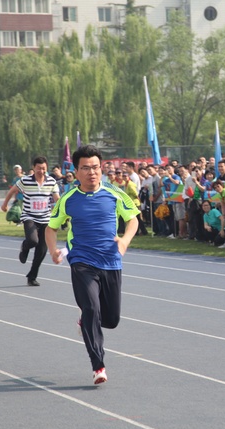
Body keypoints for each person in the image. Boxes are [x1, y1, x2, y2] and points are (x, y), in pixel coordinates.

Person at [46, 145, 139, 385]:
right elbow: (51, 227)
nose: (92, 172)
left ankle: (85, 321)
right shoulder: (68, 199)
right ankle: (98, 366)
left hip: (111, 261)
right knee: (91, 309)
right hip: (82, 261)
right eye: (86, 168)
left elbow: (133, 220)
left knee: (111, 320)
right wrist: (53, 250)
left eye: (96, 167)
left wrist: (125, 241)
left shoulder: (114, 193)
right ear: (76, 171)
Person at [1, 156, 60, 287]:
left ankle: (32, 277)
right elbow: (12, 191)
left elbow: (57, 198)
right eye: (39, 168)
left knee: (42, 251)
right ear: (34, 168)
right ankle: (25, 247)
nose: (41, 171)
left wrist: (63, 211)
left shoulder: (51, 181)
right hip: (29, 217)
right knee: (33, 240)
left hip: (45, 218)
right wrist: (4, 204)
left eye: (44, 168)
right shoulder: (25, 181)